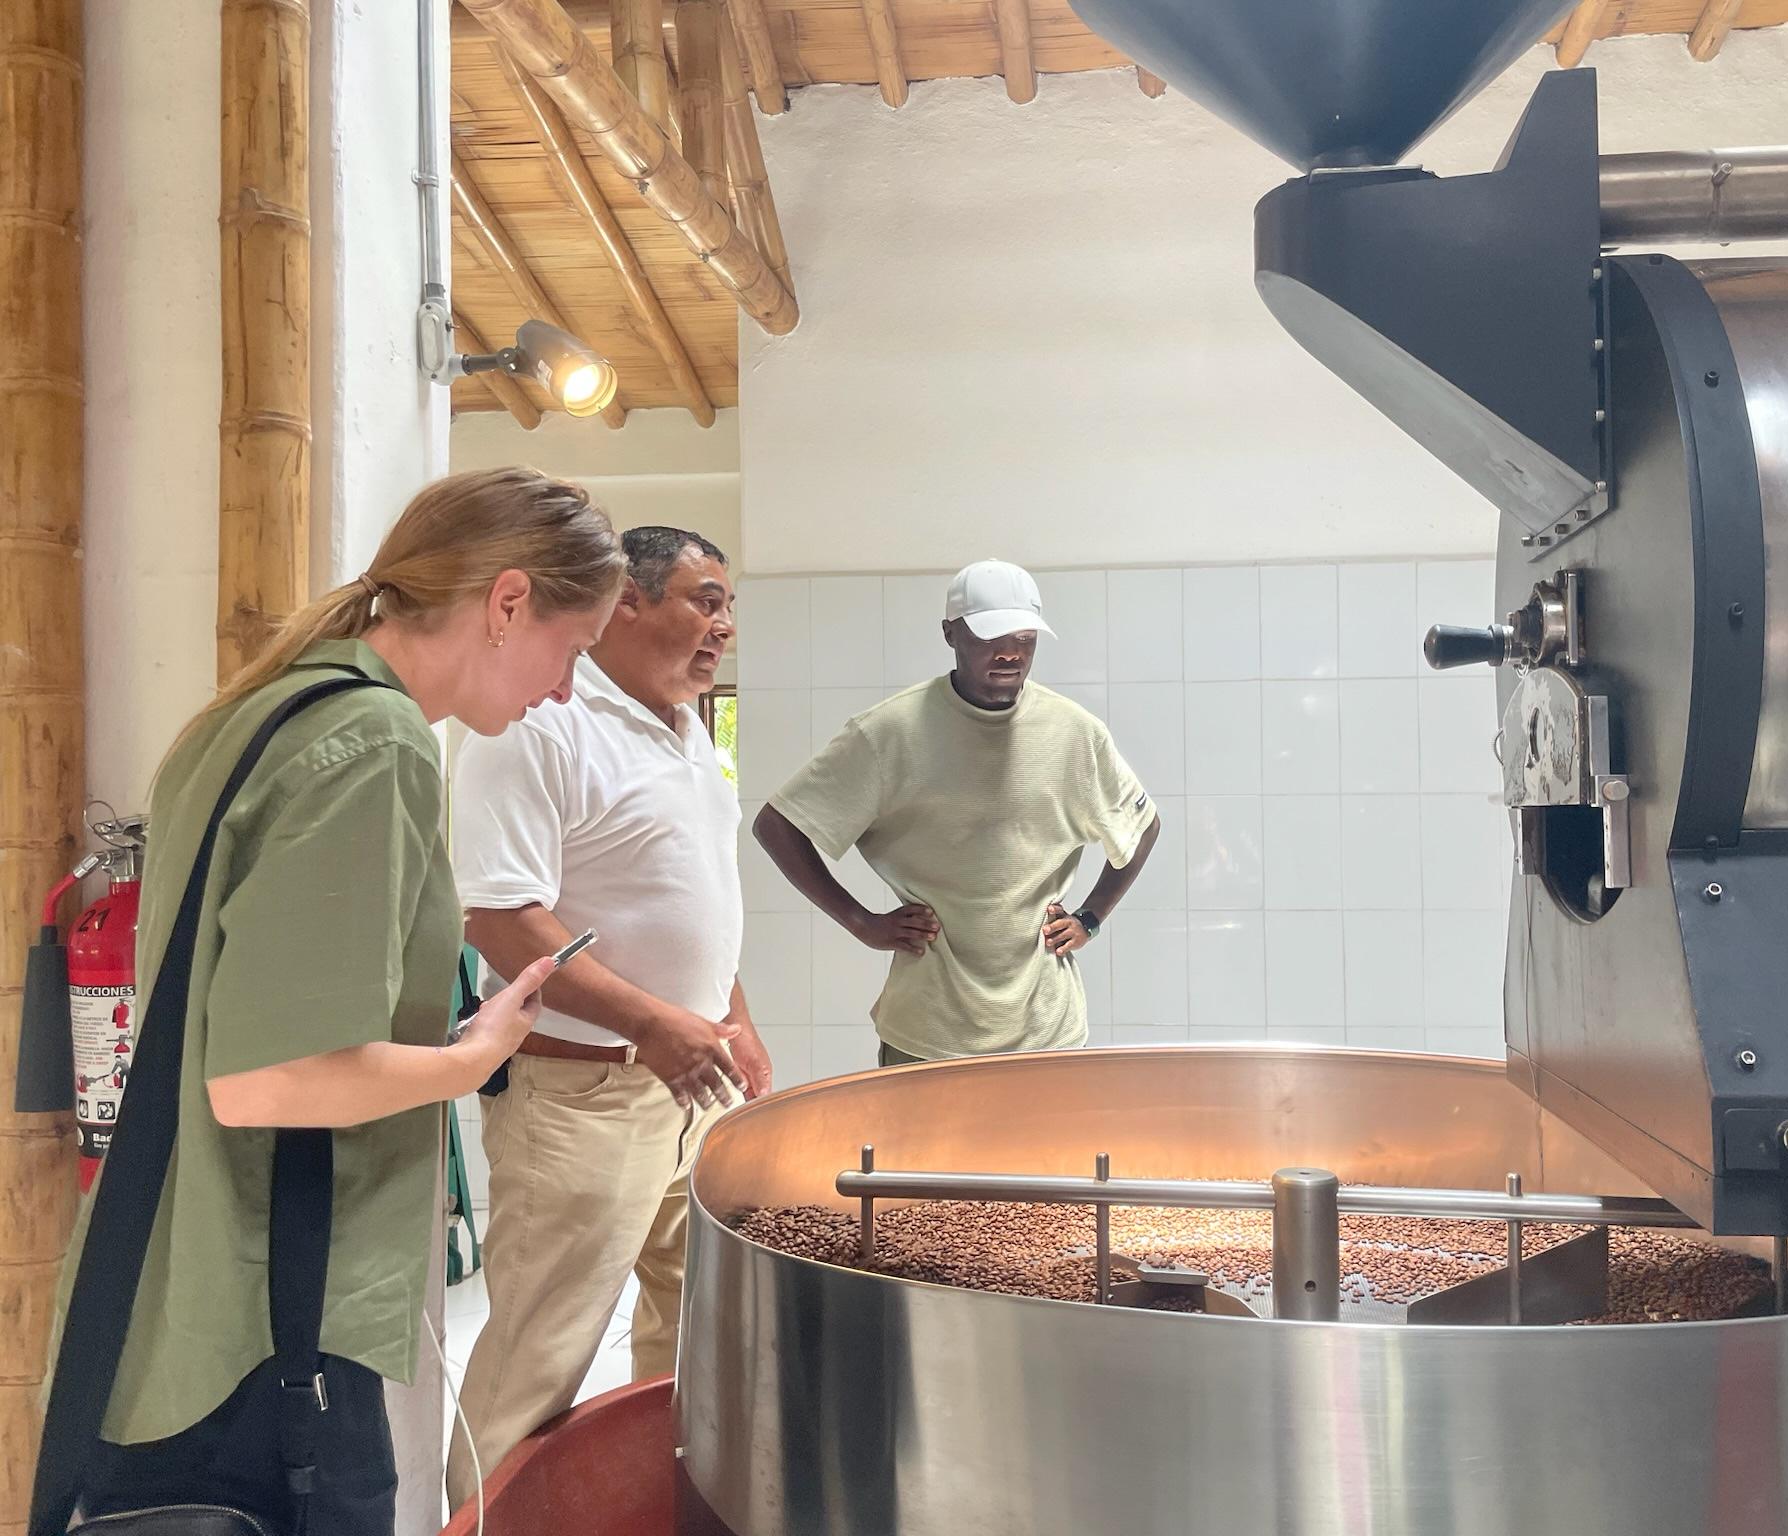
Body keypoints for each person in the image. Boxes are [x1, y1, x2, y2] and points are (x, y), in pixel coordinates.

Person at [42, 468, 628, 1536]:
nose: (562, 692)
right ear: (506, 603)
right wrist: (474, 1054)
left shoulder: (265, 708)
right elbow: (268, 1082)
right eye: (573, 650)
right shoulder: (377, 745)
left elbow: (263, 1030)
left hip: (182, 1295)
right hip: (266, 1324)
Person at [444, 526, 769, 1510]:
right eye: (702, 600)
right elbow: (501, 917)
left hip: (692, 1089)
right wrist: (652, 1025)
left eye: (725, 606)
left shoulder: (684, 725)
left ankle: (641, 1510)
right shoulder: (543, 723)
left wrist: (731, 1017)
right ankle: (477, 1522)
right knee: (542, 1352)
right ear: (622, 602)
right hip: (581, 1094)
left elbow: (697, 900)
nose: (722, 625)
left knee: (693, 1332)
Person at [755, 559, 1162, 1064]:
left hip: (1047, 1030)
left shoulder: (1075, 733)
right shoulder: (890, 733)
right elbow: (777, 824)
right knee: (917, 1149)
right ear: (950, 633)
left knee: (1045, 1149)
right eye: (990, 637)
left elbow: (1143, 827)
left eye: (1025, 638)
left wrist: (1091, 918)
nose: (1010, 653)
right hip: (927, 1030)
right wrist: (862, 922)